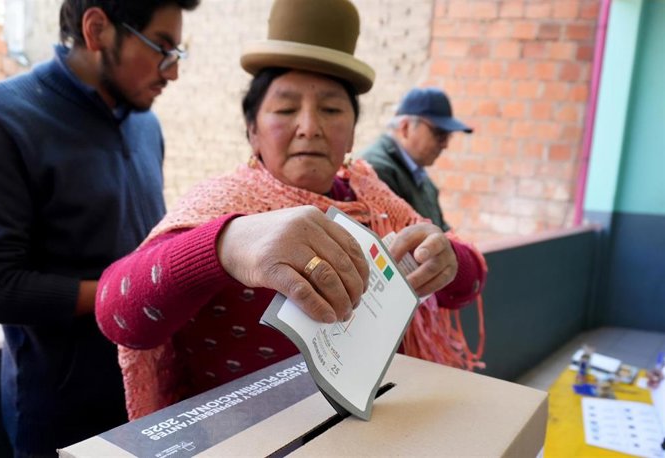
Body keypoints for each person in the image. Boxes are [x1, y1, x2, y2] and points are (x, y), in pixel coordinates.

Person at [95, 0, 487, 421]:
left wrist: (446, 258)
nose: (309, 126)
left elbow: (466, 284)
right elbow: (118, 315)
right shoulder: (219, 208)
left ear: (353, 132)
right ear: (253, 131)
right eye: (284, 109)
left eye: (332, 109)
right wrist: (226, 247)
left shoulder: (377, 202)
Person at [0, 0, 200, 455]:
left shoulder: (145, 125)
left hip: (144, 394)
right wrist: (123, 293)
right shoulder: (2, 118)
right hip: (57, 413)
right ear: (97, 30)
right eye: (161, 47)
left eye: (177, 52)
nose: (171, 72)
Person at [359, 87, 473, 231]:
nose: (445, 144)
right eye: (439, 133)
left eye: (448, 135)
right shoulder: (375, 170)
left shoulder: (419, 175)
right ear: (405, 127)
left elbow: (442, 232)